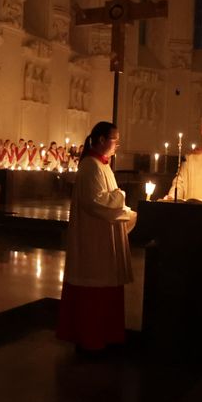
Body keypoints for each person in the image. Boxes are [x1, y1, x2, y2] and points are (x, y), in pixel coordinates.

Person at [57, 121, 136, 352]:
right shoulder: (90, 167)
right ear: (101, 140)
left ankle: (103, 337)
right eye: (115, 140)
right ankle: (90, 340)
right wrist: (120, 197)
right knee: (94, 290)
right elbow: (95, 202)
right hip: (94, 241)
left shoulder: (102, 166)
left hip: (102, 236)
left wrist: (125, 211)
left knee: (105, 286)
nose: (117, 145)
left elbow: (105, 200)